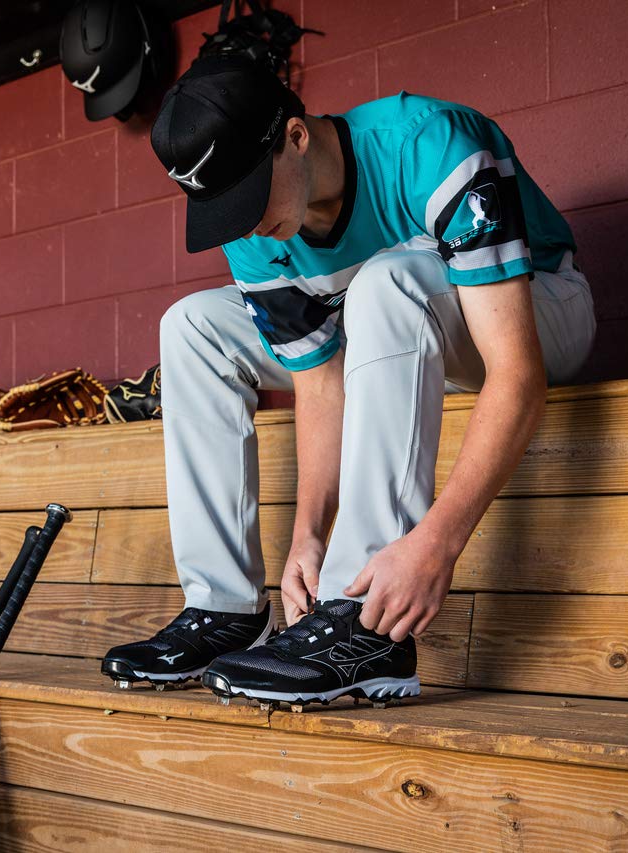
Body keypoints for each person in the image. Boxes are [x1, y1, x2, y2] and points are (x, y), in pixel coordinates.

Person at [101, 53, 596, 708]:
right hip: (382, 351)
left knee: (385, 281)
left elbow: (517, 371)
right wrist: (309, 532)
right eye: (227, 208)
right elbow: (320, 381)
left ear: (297, 136)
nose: (245, 224)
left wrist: (437, 541)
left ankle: (362, 623)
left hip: (537, 315)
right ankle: (224, 606)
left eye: (250, 196)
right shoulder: (254, 229)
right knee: (193, 324)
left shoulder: (430, 145)